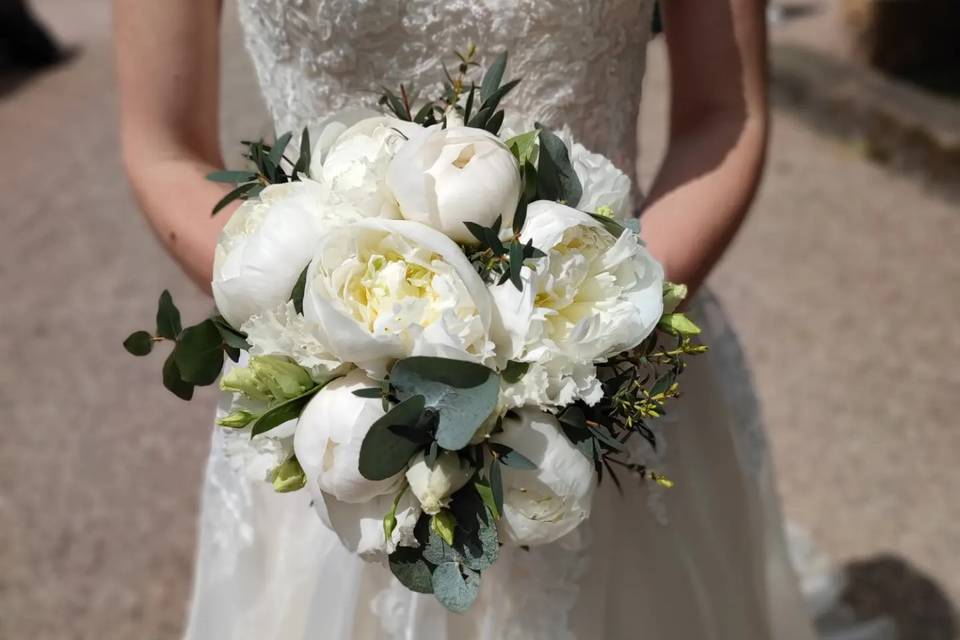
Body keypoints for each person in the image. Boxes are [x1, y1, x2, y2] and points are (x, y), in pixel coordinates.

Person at [114, 1, 847, 638]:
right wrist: (338, 342)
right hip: (336, 407)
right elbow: (164, 145)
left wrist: (589, 337)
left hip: (604, 356)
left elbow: (724, 114)